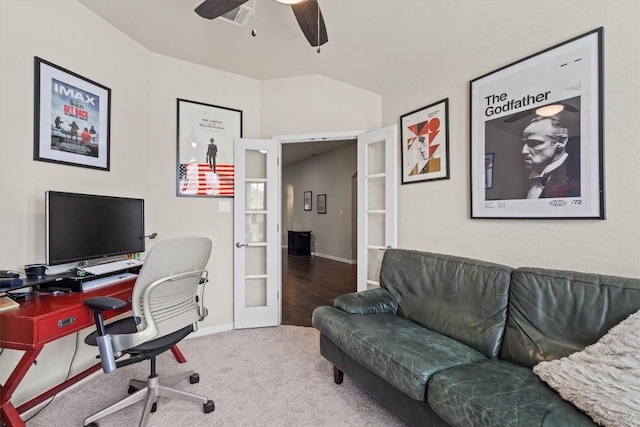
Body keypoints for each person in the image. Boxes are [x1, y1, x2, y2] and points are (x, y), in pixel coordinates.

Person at [521, 114, 580, 198]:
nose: (523, 151)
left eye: (535, 143)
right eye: (524, 144)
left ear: (561, 142)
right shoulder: (529, 179)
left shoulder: (578, 176)